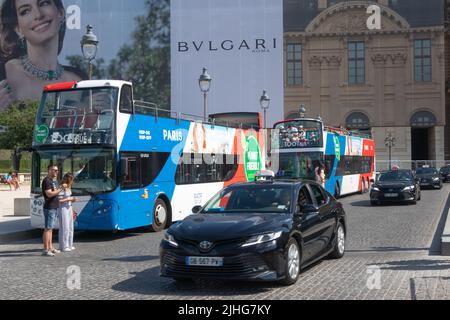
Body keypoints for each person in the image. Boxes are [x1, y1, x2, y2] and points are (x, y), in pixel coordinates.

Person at [0, 0, 84, 111]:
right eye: (25, 11)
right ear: (18, 29)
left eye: (44, 3)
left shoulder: (80, 81)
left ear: (61, 13)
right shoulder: (3, 74)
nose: (38, 15)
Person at [41, 164, 63, 256]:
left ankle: (50, 247)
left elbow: (54, 192)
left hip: (54, 207)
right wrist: (60, 189)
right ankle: (46, 250)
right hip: (49, 207)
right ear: (49, 170)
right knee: (48, 229)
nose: (56, 172)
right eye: (54, 170)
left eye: (57, 170)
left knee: (50, 229)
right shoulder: (47, 181)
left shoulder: (52, 181)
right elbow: (49, 194)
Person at [58, 172, 76, 252]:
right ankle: (63, 246)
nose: (72, 181)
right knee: (64, 227)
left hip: (69, 207)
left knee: (70, 226)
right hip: (63, 208)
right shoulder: (62, 187)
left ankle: (69, 244)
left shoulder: (69, 187)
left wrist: (72, 202)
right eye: (71, 180)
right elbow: (59, 200)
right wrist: (70, 199)